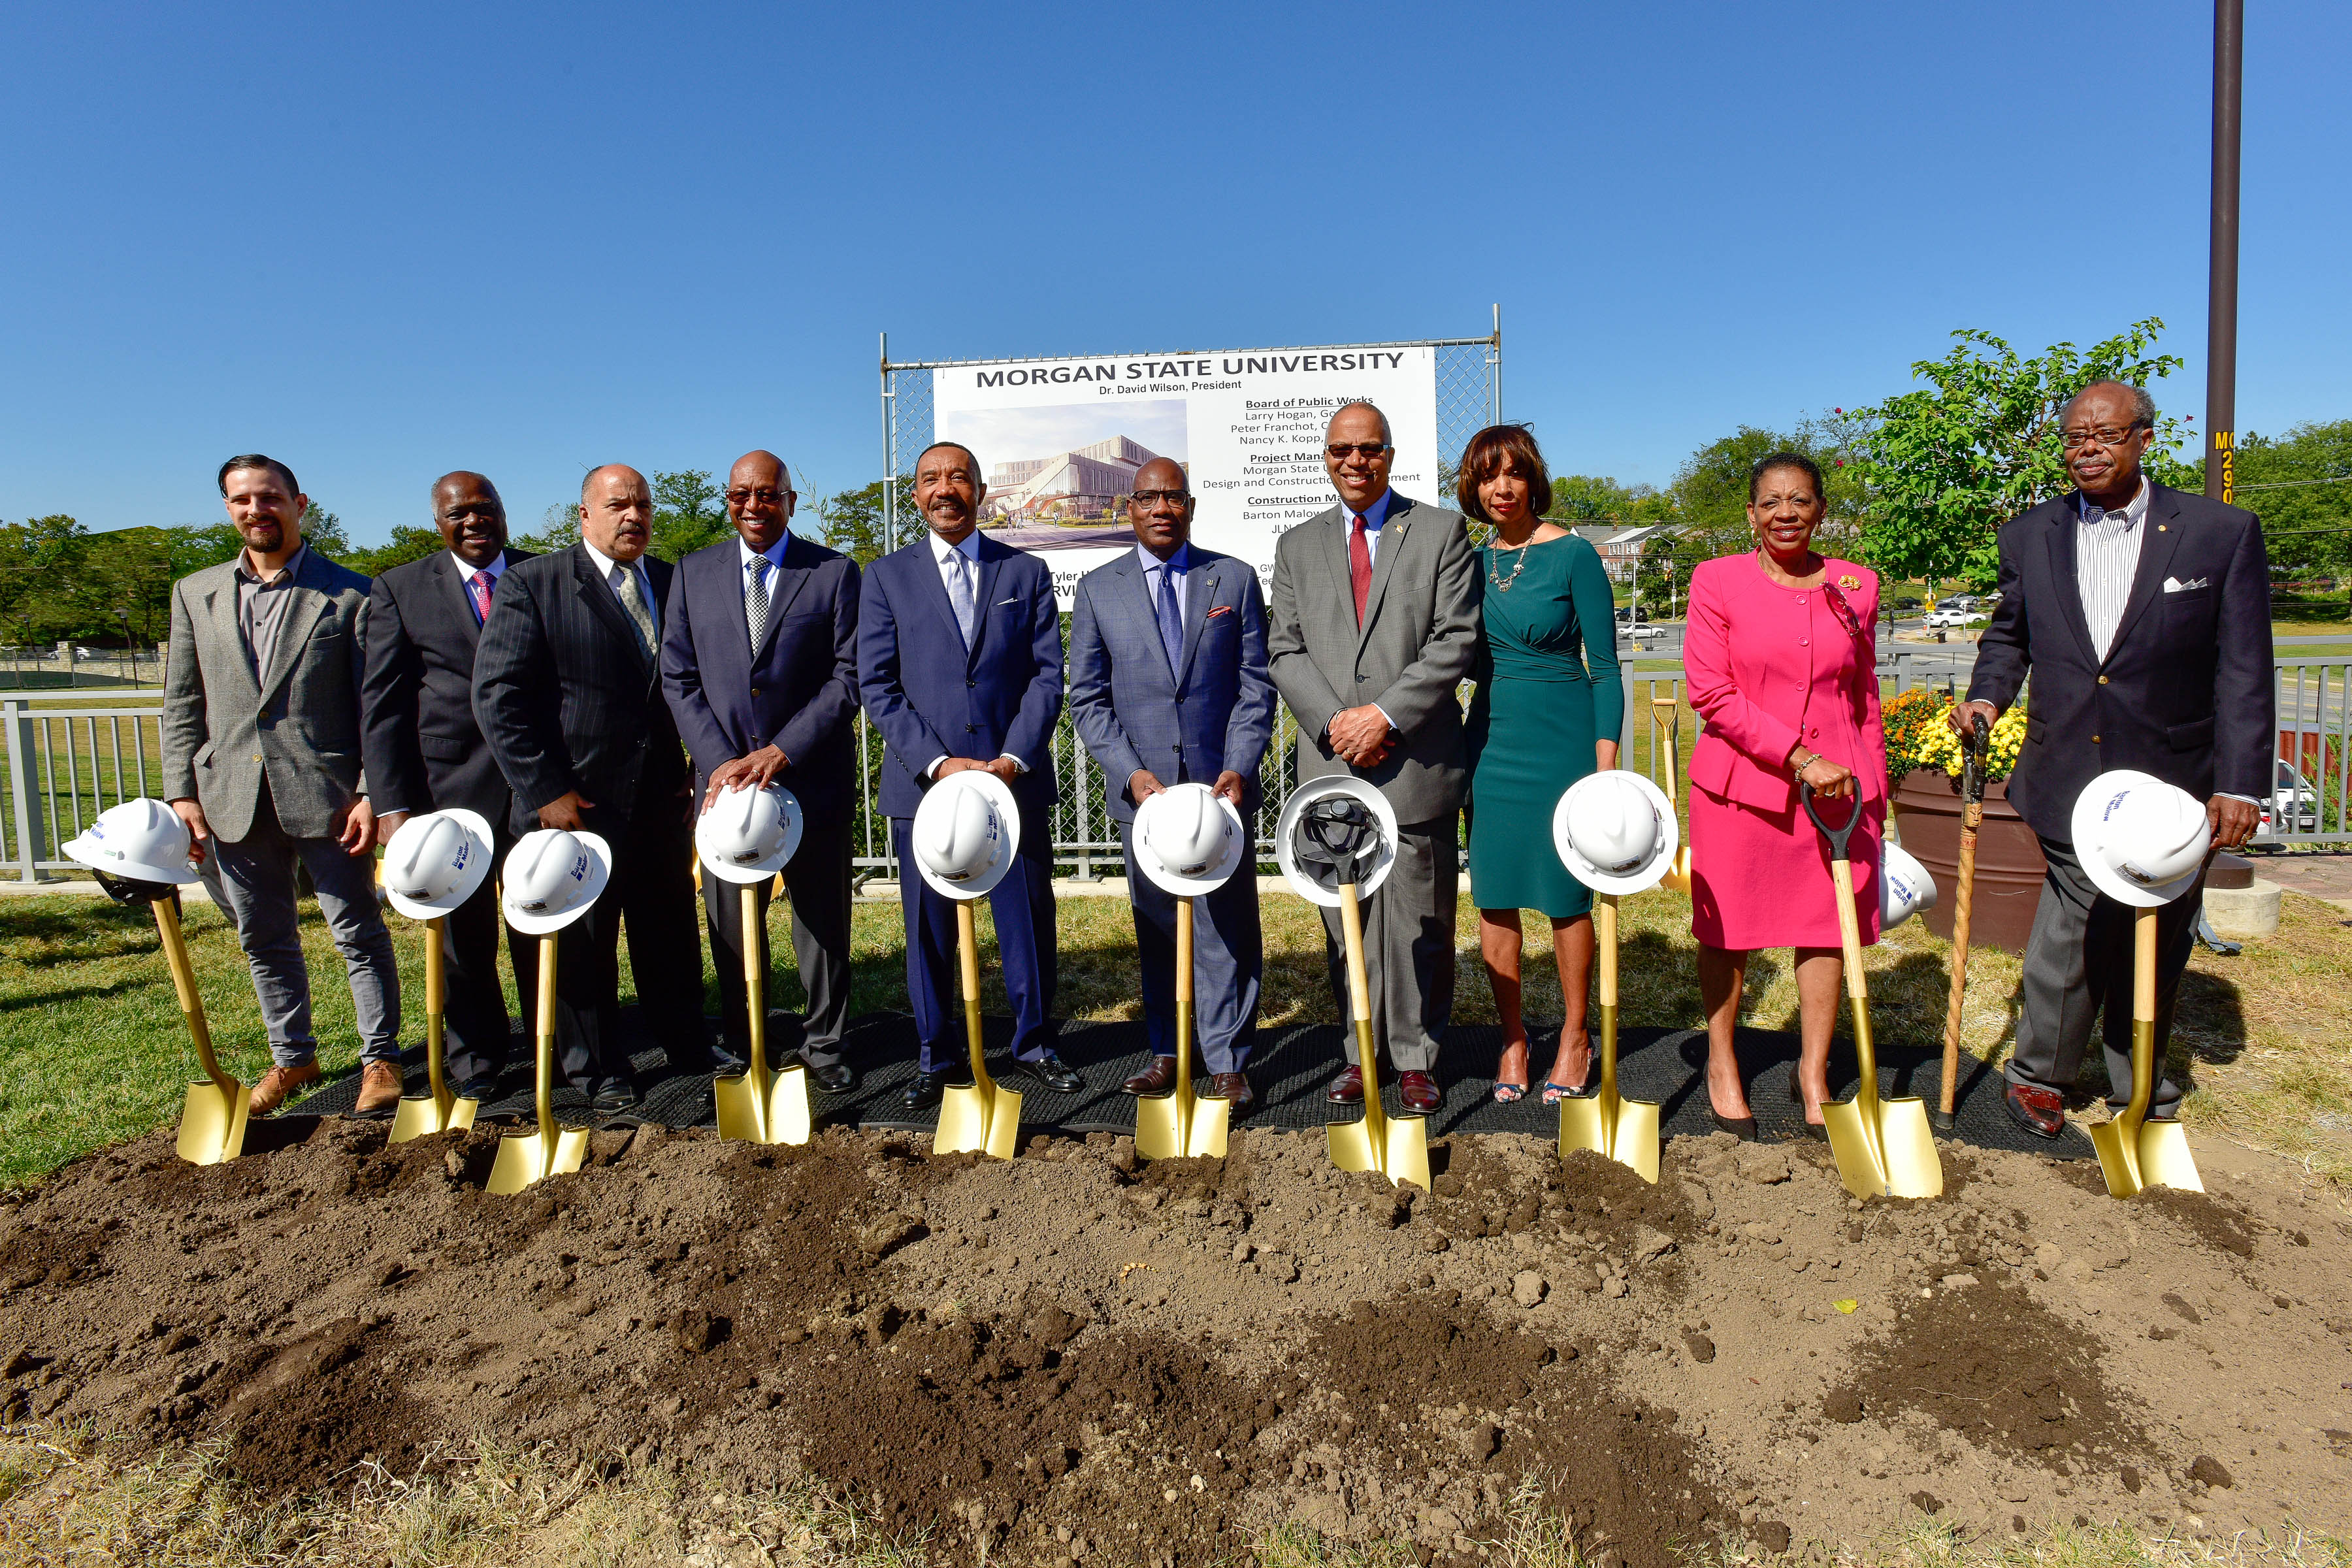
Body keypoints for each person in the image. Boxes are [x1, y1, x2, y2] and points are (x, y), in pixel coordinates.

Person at [1952, 381, 2273, 1138]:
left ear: (2144, 439)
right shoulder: (2031, 534)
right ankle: (2038, 1077)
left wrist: (2240, 783)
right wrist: (1988, 696)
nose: (2087, 448)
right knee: (2067, 932)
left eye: (2104, 434)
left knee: (2157, 931)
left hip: (2174, 781)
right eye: (2073, 438)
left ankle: (2142, 1087)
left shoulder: (2217, 533)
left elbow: (2245, 669)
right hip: (2067, 769)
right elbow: (2010, 637)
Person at [161, 455, 403, 1117]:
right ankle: (293, 1057)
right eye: (241, 499)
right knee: (261, 936)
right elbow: (182, 701)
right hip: (230, 798)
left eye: (268, 497)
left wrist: (368, 791)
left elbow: (375, 707)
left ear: (298, 504)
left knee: (356, 931)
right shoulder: (195, 593)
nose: (255, 510)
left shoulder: (351, 593)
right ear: (229, 508)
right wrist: (182, 793)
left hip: (329, 797)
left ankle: (379, 1058)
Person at [1267, 401, 1480, 1113]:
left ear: (1390, 455)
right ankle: (1361, 1052)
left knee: (1420, 918)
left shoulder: (1443, 532)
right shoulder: (1297, 546)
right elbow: (1285, 647)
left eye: (1369, 449)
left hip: (1413, 759)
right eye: (1341, 452)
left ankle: (1417, 1056)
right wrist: (1336, 722)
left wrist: (1385, 715)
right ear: (1326, 459)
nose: (1355, 463)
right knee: (1346, 920)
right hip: (1334, 765)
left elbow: (1454, 640)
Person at [472, 464, 705, 1109]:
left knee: (668, 931)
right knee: (581, 945)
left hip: (659, 800)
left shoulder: (668, 581)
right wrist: (545, 789)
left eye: (642, 505)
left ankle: (685, 1041)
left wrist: (694, 770)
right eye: (617, 505)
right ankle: (593, 1067)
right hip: (571, 806)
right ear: (584, 515)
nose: (633, 516)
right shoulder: (533, 584)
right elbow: (498, 698)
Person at [856, 441, 1075, 1111]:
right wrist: (938, 762)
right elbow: (878, 684)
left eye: (958, 478)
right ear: (915, 495)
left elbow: (1046, 674)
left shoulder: (1027, 573)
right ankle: (935, 1053)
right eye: (930, 479)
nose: (945, 489)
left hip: (1011, 783)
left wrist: (1012, 757)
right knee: (926, 927)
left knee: (1027, 921)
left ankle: (1034, 1043)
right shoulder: (885, 579)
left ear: (981, 492)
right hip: (923, 789)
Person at [1684, 452, 1884, 1140]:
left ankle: (1814, 1070)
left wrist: (1877, 789)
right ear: (1751, 514)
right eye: (1771, 502)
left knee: (1827, 927)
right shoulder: (1717, 581)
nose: (1786, 513)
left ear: (1822, 509)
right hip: (1743, 789)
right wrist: (1800, 758)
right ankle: (1721, 1062)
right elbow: (1710, 691)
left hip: (1839, 796)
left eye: (1800, 500)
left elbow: (1864, 696)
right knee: (1727, 930)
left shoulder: (1859, 586)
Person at [1068, 457, 1276, 1113]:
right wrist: (1131, 774)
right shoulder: (1100, 590)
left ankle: (1229, 1060)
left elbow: (1255, 687)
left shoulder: (1234, 580)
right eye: (1149, 497)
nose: (1162, 507)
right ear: (1129, 508)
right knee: (1157, 926)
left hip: (1222, 796)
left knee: (1228, 928)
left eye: (1174, 497)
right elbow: (1088, 698)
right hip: (1146, 801)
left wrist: (1237, 766)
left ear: (1191, 506)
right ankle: (1167, 1051)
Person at [661, 450, 862, 1091]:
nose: (754, 505)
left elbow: (848, 676)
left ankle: (825, 1043)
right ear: (729, 499)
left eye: (768, 494)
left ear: (790, 500)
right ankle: (747, 1040)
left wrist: (782, 750)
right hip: (724, 790)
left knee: (821, 919)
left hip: (810, 776)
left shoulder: (832, 573)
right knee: (728, 916)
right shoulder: (692, 575)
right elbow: (678, 676)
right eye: (741, 495)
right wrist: (720, 762)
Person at [1457, 427, 1622, 1105]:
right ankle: (1514, 1037)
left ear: (1533, 480)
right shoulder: (1468, 564)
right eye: (1489, 476)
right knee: (1494, 895)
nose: (1502, 488)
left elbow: (1607, 668)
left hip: (1563, 741)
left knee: (1563, 896)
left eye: (1514, 474)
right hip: (1490, 742)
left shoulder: (1576, 555)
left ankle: (1577, 1035)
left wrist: (1604, 767)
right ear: (1473, 486)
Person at [360, 471, 537, 1101]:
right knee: (463, 938)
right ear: (438, 520)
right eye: (458, 513)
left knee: (541, 918)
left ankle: (554, 1047)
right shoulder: (401, 589)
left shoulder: (542, 575)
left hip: (534, 781)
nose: (474, 522)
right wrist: (391, 805)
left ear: (503, 512)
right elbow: (382, 705)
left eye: (485, 510)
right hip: (447, 789)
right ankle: (477, 1059)